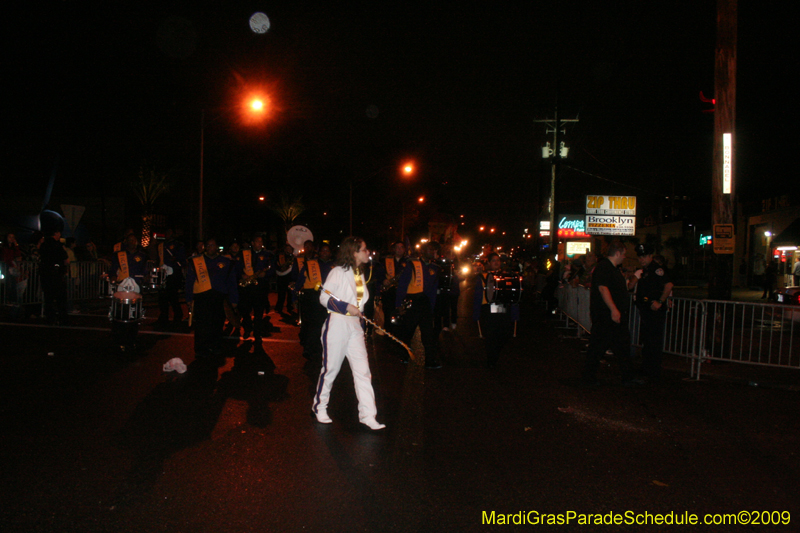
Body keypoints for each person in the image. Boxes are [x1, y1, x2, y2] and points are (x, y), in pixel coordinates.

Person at [312, 236, 385, 430]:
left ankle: (368, 415)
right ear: (353, 252)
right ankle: (320, 407)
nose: (367, 252)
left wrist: (357, 313)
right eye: (364, 249)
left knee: (363, 372)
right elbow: (324, 298)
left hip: (355, 326)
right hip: (337, 324)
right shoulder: (338, 272)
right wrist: (347, 308)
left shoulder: (359, 273)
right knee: (330, 369)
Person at [582, 241, 641, 387]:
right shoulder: (604, 267)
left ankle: (627, 376)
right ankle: (589, 377)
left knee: (620, 346)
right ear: (618, 253)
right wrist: (614, 309)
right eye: (624, 254)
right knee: (598, 347)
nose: (624, 257)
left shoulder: (612, 269)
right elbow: (603, 289)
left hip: (612, 316)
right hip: (606, 316)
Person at [185, 237, 239, 362]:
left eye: (213, 245)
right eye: (208, 245)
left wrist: (234, 299)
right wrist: (188, 298)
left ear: (217, 247)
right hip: (201, 297)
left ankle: (216, 346)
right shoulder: (196, 261)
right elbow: (189, 281)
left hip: (218, 297)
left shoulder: (226, 262)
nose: (210, 247)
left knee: (217, 323)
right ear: (204, 247)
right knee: (202, 325)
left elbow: (232, 282)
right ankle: (201, 349)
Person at [630, 244, 674, 382]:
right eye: (640, 256)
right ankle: (646, 367)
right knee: (647, 340)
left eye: (644, 256)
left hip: (654, 310)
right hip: (646, 309)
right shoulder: (646, 270)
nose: (641, 259)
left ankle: (653, 370)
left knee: (654, 341)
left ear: (650, 256)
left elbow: (668, 285)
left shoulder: (656, 269)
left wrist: (660, 301)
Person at [395, 241, 442, 368]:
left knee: (428, 333)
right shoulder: (412, 264)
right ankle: (404, 356)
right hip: (412, 301)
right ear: (422, 251)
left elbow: (433, 291)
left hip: (425, 303)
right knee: (407, 331)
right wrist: (398, 304)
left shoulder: (435, 268)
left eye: (434, 250)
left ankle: (430, 361)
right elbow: (402, 285)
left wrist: (431, 308)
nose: (432, 252)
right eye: (430, 249)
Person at [473, 252, 519, 368]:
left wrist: (514, 313)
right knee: (491, 336)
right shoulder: (482, 277)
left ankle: (494, 355)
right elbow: (478, 296)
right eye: (493, 260)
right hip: (488, 309)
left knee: (504, 335)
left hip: (503, 308)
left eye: (498, 260)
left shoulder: (506, 275)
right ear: (488, 262)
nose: (496, 262)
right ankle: (491, 360)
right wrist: (476, 313)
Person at [294, 241, 332, 360]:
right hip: (312, 297)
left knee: (326, 324)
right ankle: (309, 348)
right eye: (323, 250)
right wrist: (294, 296)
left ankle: (322, 348)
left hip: (329, 298)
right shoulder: (311, 264)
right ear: (319, 252)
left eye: (327, 250)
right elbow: (300, 281)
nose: (325, 252)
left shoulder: (335, 266)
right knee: (313, 324)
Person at [238, 234, 275, 342]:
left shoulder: (268, 255)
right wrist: (242, 275)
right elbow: (237, 267)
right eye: (257, 242)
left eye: (261, 242)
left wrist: (266, 275)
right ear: (252, 243)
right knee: (245, 310)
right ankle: (247, 328)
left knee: (259, 311)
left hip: (260, 287)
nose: (260, 244)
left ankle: (257, 333)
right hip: (247, 287)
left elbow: (272, 269)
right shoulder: (244, 253)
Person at [39, 230, 70, 325]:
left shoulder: (44, 245)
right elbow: (66, 259)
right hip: (56, 273)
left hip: (46, 273)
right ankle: (62, 318)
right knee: (61, 297)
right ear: (56, 234)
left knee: (48, 297)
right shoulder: (58, 246)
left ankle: (50, 317)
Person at [156, 228, 186, 325]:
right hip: (162, 274)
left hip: (173, 274)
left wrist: (176, 258)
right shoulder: (161, 246)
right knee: (162, 296)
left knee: (172, 296)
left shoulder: (178, 245)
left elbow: (182, 259)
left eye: (169, 232)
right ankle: (163, 315)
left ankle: (178, 315)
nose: (167, 234)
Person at [274, 243, 295, 314]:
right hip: (282, 278)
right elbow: (278, 266)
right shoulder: (281, 256)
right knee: (281, 294)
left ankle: (290, 307)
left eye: (290, 249)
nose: (288, 250)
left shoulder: (294, 257)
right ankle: (279, 308)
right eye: (287, 249)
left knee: (290, 294)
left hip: (290, 278)